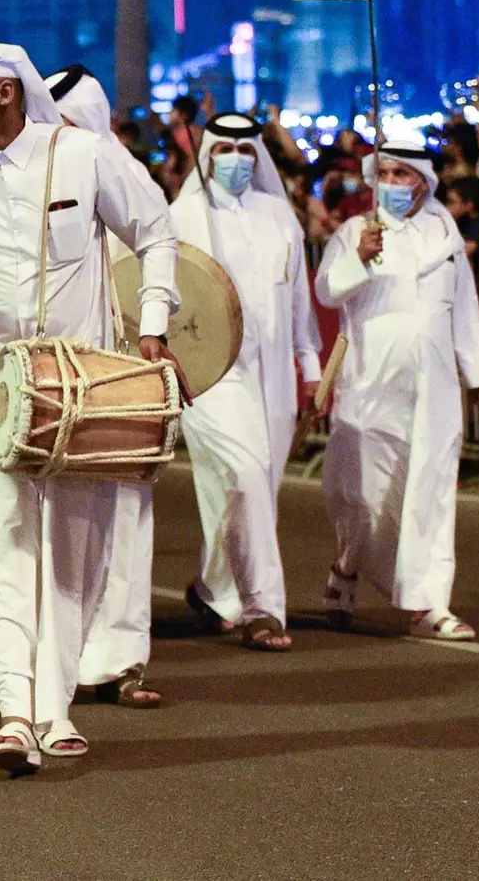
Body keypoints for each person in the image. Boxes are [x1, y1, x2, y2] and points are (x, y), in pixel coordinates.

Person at [0, 41, 182, 774]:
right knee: (2, 544)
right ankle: (14, 713)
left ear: (6, 94)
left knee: (74, 548)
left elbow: (154, 232)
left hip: (78, 380)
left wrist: (151, 327)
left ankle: (55, 708)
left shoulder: (83, 155)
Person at [316, 135, 479, 642]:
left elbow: (463, 305)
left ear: (424, 181)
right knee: (368, 496)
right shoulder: (357, 229)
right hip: (372, 382)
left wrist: (477, 370)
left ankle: (428, 602)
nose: (394, 184)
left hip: (434, 384)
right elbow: (327, 291)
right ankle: (348, 564)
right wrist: (359, 259)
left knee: (432, 489)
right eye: (386, 175)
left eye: (404, 175)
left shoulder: (446, 234)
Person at [170, 113, 323, 653]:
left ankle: (214, 588)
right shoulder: (182, 216)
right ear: (207, 154)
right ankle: (264, 608)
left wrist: (311, 368)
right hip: (211, 372)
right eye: (223, 148)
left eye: (244, 148)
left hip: (274, 372)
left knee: (253, 485)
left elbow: (298, 301)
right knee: (247, 472)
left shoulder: (280, 216)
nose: (235, 158)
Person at [46, 65, 168, 705]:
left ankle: (119, 658)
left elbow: (165, 261)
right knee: (58, 523)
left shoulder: (124, 176)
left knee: (124, 514)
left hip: (121, 377)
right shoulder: (38, 177)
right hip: (59, 379)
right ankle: (54, 659)